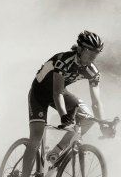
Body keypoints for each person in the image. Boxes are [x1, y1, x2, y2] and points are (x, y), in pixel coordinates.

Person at [22, 30, 107, 177]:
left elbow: (96, 101)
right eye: (90, 51)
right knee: (36, 138)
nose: (93, 56)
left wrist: (103, 124)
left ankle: (57, 151)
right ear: (80, 49)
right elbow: (57, 93)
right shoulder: (63, 60)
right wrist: (64, 116)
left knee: (88, 118)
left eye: (96, 53)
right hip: (40, 93)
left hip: (60, 92)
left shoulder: (92, 71)